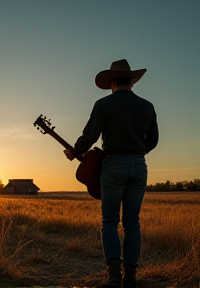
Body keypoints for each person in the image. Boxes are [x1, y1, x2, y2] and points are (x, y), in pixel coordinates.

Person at [64, 59, 159, 288]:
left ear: (113, 83)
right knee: (132, 223)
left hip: (113, 165)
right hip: (139, 165)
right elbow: (153, 140)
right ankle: (132, 279)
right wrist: (136, 152)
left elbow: (90, 136)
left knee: (109, 221)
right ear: (132, 82)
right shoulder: (147, 106)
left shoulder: (103, 104)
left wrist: (75, 151)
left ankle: (114, 276)